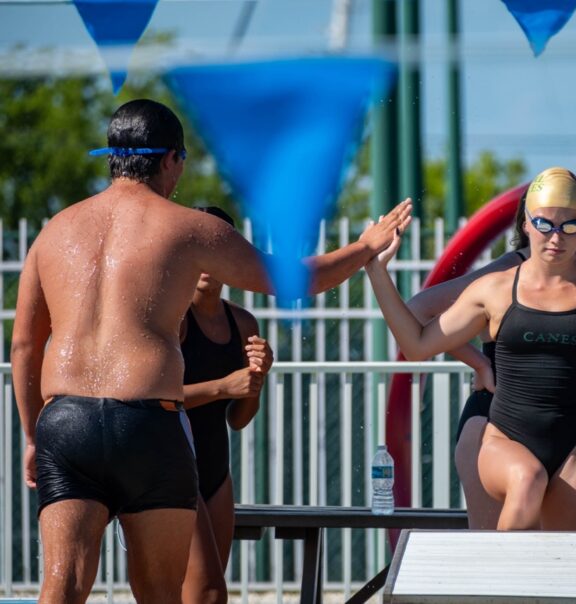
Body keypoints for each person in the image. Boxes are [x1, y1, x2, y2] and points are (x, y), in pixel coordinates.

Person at [11, 98, 412, 604]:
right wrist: (366, 245)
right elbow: (296, 279)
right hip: (148, 424)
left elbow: (25, 343)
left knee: (62, 587)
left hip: (65, 423)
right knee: (161, 593)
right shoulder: (189, 228)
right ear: (171, 161)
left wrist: (31, 435)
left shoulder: (53, 233)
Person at [367, 167, 576, 530]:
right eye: (545, 224)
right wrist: (377, 274)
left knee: (571, 579)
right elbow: (415, 345)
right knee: (527, 479)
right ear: (526, 224)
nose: (556, 237)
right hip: (506, 443)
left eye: (569, 225)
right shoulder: (494, 289)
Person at [405, 191, 530, 529]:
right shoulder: (513, 268)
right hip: (492, 418)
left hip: (553, 427)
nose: (560, 231)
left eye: (573, 219)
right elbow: (420, 307)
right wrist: (479, 363)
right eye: (549, 219)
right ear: (527, 223)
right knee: (492, 560)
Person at [179, 207, 274, 603]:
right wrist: (222, 386)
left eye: (216, 248)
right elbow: (151, 399)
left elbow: (238, 419)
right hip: (172, 464)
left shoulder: (244, 324)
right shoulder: (173, 319)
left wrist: (257, 380)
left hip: (217, 470)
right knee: (199, 592)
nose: (206, 262)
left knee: (213, 592)